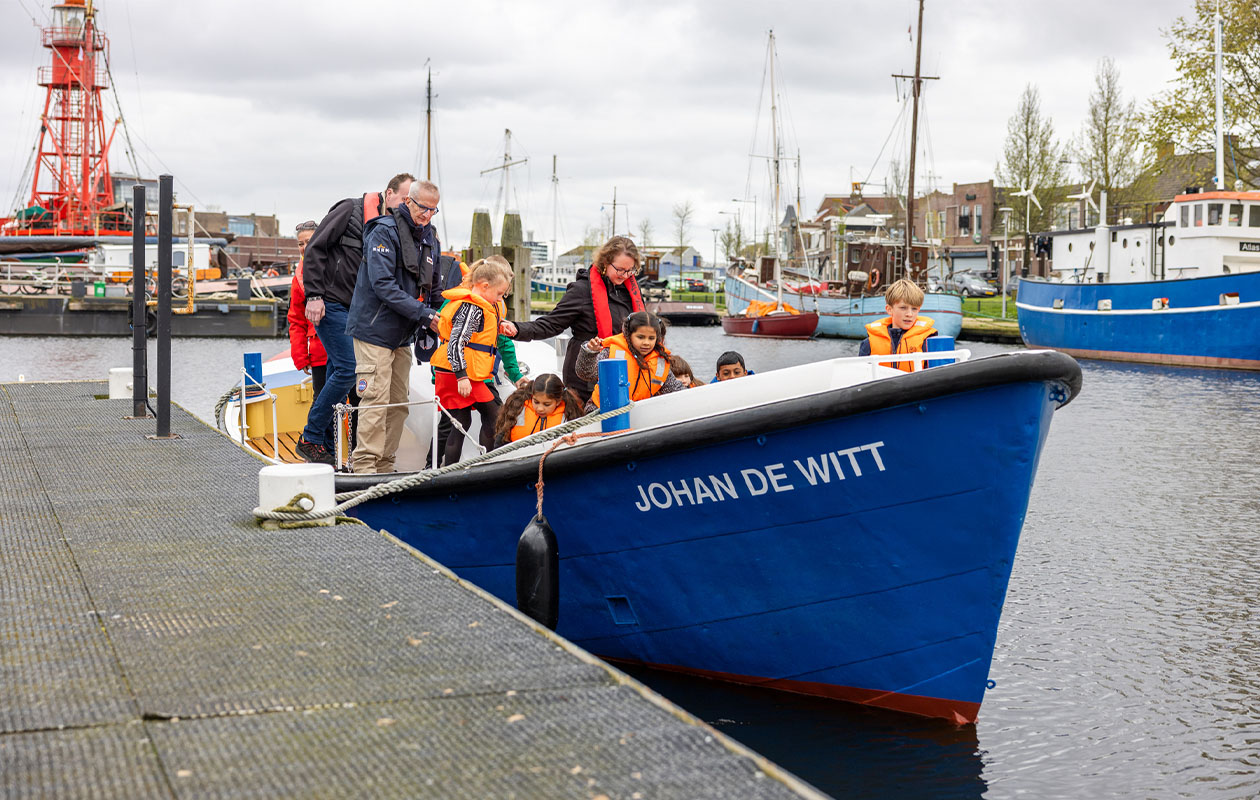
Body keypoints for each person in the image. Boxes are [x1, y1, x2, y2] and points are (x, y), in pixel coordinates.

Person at [297, 172, 414, 465]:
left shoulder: (395, 227)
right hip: (331, 304)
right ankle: (310, 436)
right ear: (389, 194)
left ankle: (338, 453)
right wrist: (313, 295)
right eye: (405, 199)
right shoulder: (349, 211)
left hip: (360, 312)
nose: (408, 205)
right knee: (350, 369)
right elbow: (315, 249)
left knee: (348, 377)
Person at [344, 179, 443, 474]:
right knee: (375, 400)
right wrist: (425, 315)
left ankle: (386, 465)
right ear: (408, 202)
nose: (426, 215)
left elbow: (435, 289)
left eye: (433, 210)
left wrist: (441, 315)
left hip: (402, 336)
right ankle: (364, 467)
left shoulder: (430, 239)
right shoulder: (383, 231)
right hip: (373, 331)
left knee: (398, 404)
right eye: (423, 207)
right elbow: (383, 285)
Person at [500, 236, 645, 403]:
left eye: (630, 270)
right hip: (584, 380)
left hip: (621, 372)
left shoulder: (631, 291)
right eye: (620, 269)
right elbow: (552, 324)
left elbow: (645, 327)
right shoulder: (582, 291)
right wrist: (517, 329)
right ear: (605, 262)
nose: (625, 275)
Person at [431, 258, 513, 466]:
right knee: (494, 416)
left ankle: (451, 470)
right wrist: (462, 377)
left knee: (461, 422)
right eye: (499, 294)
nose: (499, 299)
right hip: (461, 373)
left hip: (455, 371)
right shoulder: (472, 308)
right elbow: (456, 343)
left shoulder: (476, 306)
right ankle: (485, 465)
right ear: (485, 286)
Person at [578, 310, 687, 412]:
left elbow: (674, 389)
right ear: (629, 335)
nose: (646, 343)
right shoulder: (611, 352)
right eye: (640, 337)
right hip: (601, 412)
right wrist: (590, 353)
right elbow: (586, 373)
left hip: (640, 414)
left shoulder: (660, 363)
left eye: (651, 338)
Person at [858, 278, 937, 372]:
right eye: (903, 308)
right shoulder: (869, 344)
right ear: (889, 309)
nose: (909, 314)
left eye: (914, 309)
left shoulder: (928, 341)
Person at [492, 373, 583, 448]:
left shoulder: (570, 415)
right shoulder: (517, 408)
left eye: (546, 404)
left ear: (558, 401)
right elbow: (501, 440)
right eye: (536, 402)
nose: (540, 408)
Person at [287, 220, 325, 394]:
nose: (304, 247)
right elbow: (296, 319)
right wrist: (301, 357)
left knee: (354, 400)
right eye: (300, 244)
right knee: (322, 399)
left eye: (309, 241)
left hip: (345, 347)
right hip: (319, 353)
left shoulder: (338, 265)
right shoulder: (298, 280)